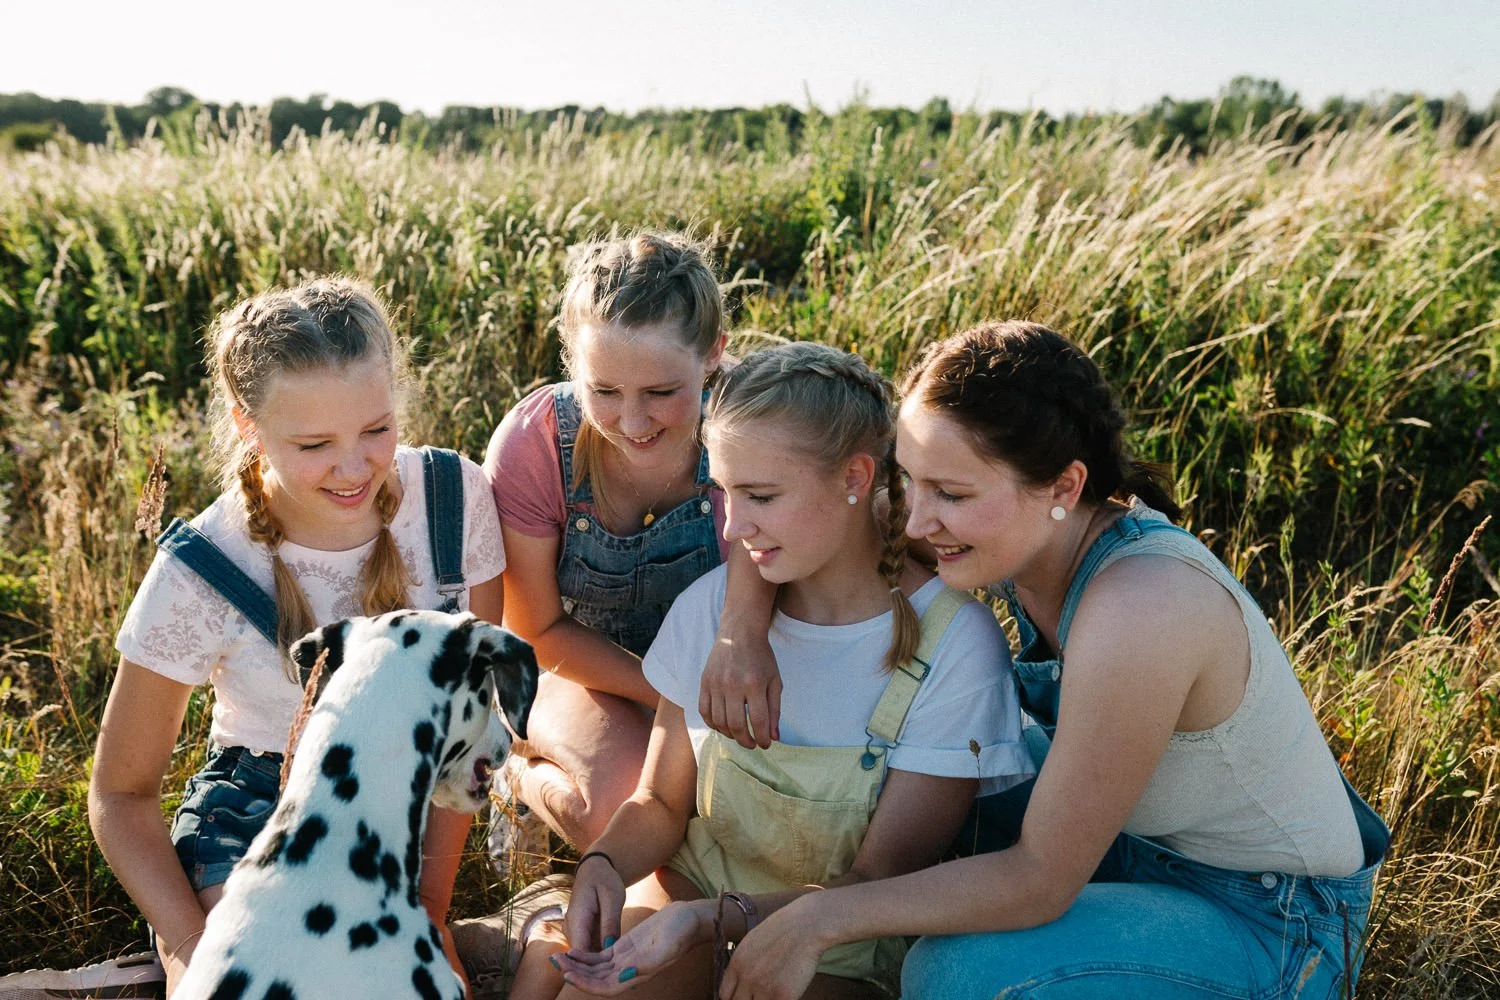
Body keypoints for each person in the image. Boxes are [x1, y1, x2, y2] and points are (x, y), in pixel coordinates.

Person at [700, 321, 1391, 1000]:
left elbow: (1041, 876)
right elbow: (819, 512)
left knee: (954, 974)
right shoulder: (1010, 527)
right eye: (909, 479)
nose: (914, 522)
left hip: (1270, 919)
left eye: (952, 494)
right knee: (958, 766)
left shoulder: (1143, 606)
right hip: (1125, 848)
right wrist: (738, 630)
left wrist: (821, 918)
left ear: (1064, 488)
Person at [544, 342, 1035, 1000]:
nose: (734, 525)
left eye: (762, 496)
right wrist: (603, 865)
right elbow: (661, 802)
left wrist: (709, 923)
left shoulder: (956, 646)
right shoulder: (716, 613)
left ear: (856, 478)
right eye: (724, 494)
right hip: (687, 903)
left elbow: (879, 877)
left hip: (838, 952)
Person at [85, 278, 506, 997]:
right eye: (313, 443)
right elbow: (120, 794)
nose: (353, 468)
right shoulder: (205, 568)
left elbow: (468, 728)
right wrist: (193, 952)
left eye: (376, 429)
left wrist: (428, 912)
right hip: (256, 812)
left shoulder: (451, 500)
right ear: (248, 425)